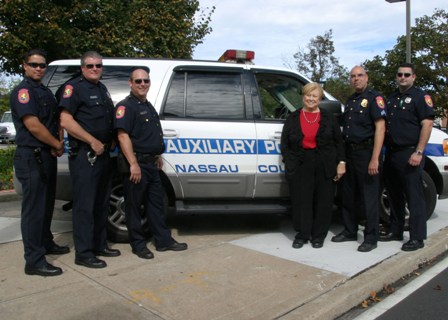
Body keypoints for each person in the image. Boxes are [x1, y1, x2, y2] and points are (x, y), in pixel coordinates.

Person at [114, 66, 187, 259]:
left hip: (151, 164)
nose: (142, 84)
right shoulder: (126, 107)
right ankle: (138, 245)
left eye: (146, 81)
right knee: (134, 206)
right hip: (136, 164)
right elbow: (122, 136)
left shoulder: (147, 105)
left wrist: (157, 156)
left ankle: (163, 241)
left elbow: (150, 135)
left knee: (156, 205)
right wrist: (133, 164)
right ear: (130, 83)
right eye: (138, 81)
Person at [59, 51, 121, 268]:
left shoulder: (101, 88)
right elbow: (65, 121)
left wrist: (112, 138)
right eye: (90, 65)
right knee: (85, 205)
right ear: (82, 68)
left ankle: (99, 244)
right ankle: (84, 253)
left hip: (104, 154)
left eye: (98, 65)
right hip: (86, 155)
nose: (95, 69)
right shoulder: (74, 88)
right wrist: (92, 140)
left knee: (101, 203)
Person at [11, 49, 69, 276]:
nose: (38, 68)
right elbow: (33, 125)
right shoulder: (23, 92)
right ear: (24, 66)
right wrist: (56, 143)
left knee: (46, 205)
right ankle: (34, 261)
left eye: (42, 65)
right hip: (31, 156)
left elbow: (56, 120)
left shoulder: (44, 91)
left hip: (46, 155)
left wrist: (58, 141)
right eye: (34, 64)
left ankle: (46, 242)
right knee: (33, 210)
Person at [281, 82, 345, 249]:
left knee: (323, 201)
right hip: (301, 164)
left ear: (320, 98)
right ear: (303, 97)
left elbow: (339, 142)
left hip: (325, 163)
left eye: (314, 95)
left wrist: (341, 163)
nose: (310, 98)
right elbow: (285, 144)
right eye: (308, 95)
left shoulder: (329, 117)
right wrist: (289, 162)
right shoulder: (293, 117)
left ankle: (318, 236)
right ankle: (302, 234)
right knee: (302, 201)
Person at [380, 63, 434, 251]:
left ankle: (417, 238)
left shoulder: (420, 97)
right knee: (394, 194)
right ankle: (395, 230)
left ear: (413, 77)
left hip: (410, 152)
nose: (402, 77)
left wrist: (418, 152)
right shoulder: (393, 98)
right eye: (400, 74)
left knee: (414, 196)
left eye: (406, 74)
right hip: (393, 153)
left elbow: (427, 124)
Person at [331, 66, 386, 252]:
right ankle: (349, 230)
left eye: (360, 76)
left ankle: (371, 237)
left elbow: (380, 128)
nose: (356, 79)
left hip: (366, 153)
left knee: (369, 198)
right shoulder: (351, 100)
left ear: (367, 78)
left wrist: (375, 158)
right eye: (353, 76)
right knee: (348, 195)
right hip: (350, 153)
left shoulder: (374, 98)